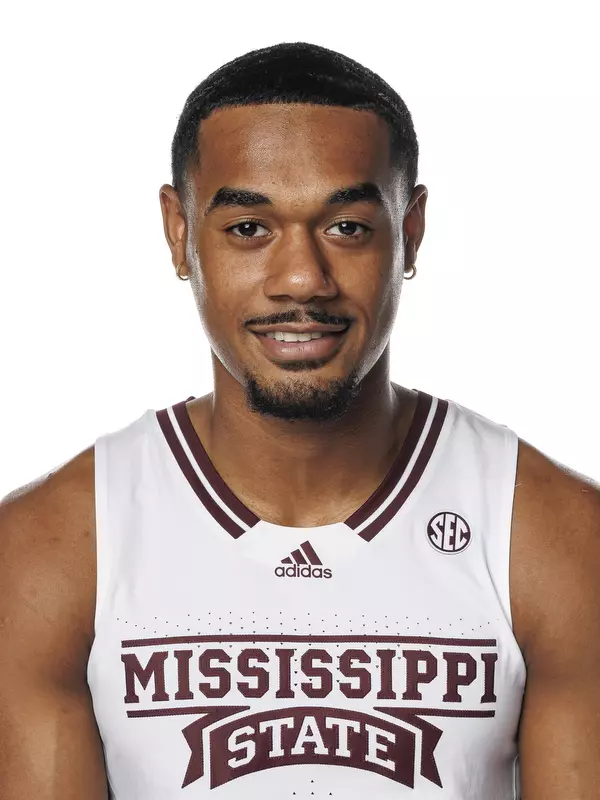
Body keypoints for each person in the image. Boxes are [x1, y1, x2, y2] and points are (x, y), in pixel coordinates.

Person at [1, 40, 598, 800]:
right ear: (180, 233)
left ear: (408, 233)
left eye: (347, 226)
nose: (301, 280)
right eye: (249, 229)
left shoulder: (554, 536)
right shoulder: (49, 553)